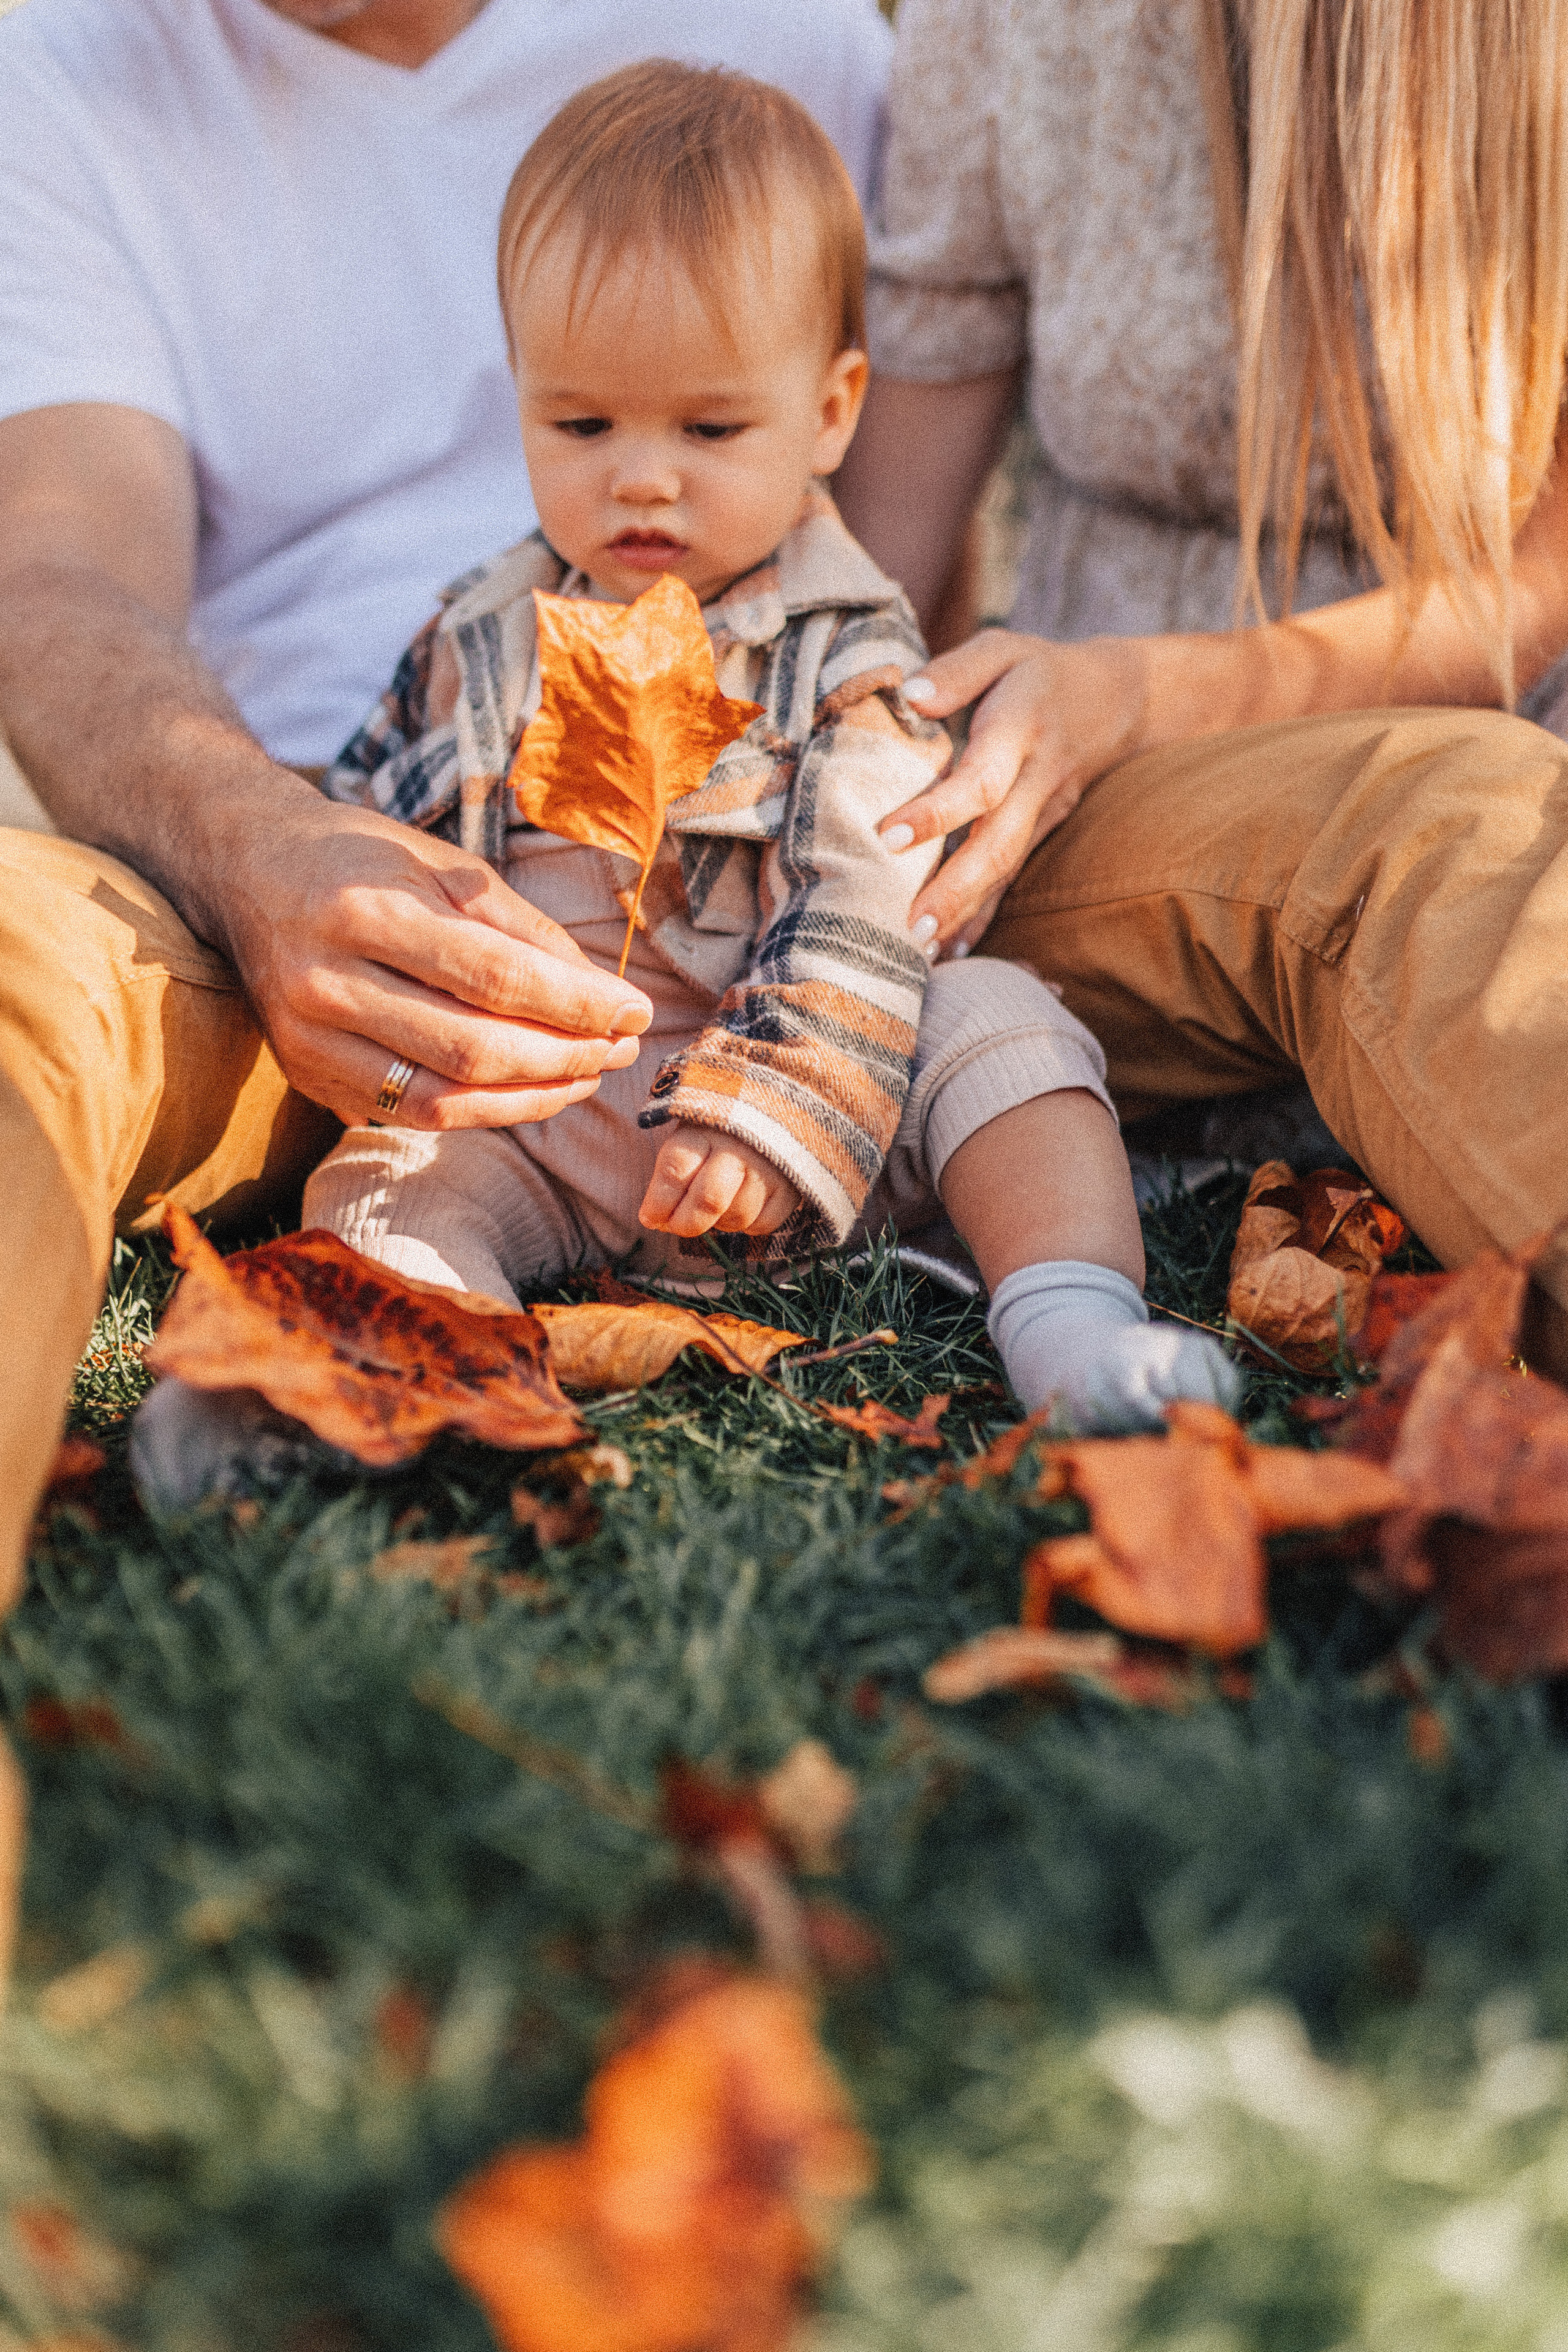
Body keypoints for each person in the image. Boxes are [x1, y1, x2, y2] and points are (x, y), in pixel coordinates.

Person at [132, 61, 1240, 1504]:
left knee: (999, 1033)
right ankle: (381, 1362)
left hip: (818, 1109)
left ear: (832, 411)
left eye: (708, 432)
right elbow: (374, 816)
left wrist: (776, 1099)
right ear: (519, 401)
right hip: (550, 1098)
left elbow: (867, 894)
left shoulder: (842, 652)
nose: (641, 481)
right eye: (582, 428)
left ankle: (1071, 1323)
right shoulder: (484, 635)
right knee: (395, 1175)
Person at [0, 0, 894, 1615]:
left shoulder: (792, 39)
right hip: (268, 874)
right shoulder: (56, 64)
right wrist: (254, 839)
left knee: (1425, 839)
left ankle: (1072, 1306)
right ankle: (382, 1342)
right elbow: (58, 571)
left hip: (799, 867)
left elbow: (891, 559)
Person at [835, 0, 1568, 1379]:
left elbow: (1528, 594)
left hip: (1478, 747)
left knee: (1493, 836)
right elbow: (883, 549)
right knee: (1444, 822)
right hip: (1095, 805)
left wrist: (1137, 692)